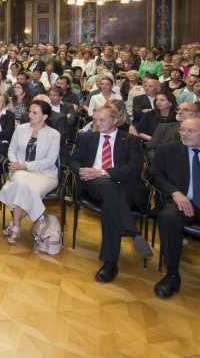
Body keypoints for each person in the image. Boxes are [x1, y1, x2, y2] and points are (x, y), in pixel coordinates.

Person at [150, 117, 200, 305]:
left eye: (191, 131)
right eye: (182, 130)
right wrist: (175, 193)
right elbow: (154, 175)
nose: (185, 134)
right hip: (184, 202)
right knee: (167, 218)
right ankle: (171, 275)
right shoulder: (167, 150)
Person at [70, 105, 150, 284]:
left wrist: (104, 172)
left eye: (102, 119)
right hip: (95, 184)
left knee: (110, 205)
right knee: (105, 187)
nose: (97, 124)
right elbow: (73, 160)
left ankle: (110, 263)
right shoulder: (87, 137)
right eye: (95, 119)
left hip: (125, 187)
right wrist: (83, 170)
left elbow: (134, 169)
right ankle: (133, 232)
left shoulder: (130, 140)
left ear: (116, 120)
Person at [0, 100, 61, 245]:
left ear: (44, 116)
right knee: (21, 183)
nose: (30, 115)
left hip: (45, 174)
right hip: (20, 171)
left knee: (22, 187)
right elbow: (11, 150)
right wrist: (14, 163)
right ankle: (16, 226)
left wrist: (24, 166)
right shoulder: (21, 129)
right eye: (30, 112)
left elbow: (50, 161)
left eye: (34, 112)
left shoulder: (53, 134)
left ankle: (15, 224)